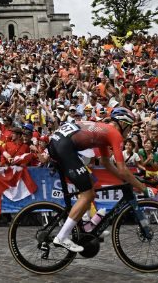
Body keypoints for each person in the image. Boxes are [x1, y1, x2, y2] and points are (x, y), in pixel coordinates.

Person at [47, 108, 149, 252]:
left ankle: (87, 225)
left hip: (60, 143)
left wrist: (127, 180)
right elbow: (123, 169)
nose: (130, 131)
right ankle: (62, 236)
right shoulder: (114, 134)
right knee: (87, 194)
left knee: (90, 188)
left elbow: (106, 163)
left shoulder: (104, 132)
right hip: (63, 146)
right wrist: (143, 187)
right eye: (130, 126)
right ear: (122, 123)